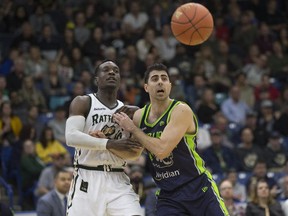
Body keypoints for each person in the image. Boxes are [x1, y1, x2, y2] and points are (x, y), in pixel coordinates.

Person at [114, 63, 229, 215]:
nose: (160, 81)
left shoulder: (181, 110)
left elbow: (162, 150)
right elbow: (134, 154)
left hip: (198, 188)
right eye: (155, 79)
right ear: (146, 87)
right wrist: (108, 143)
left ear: (169, 85)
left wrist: (133, 130)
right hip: (169, 195)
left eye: (164, 78)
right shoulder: (139, 117)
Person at [65, 60, 143, 216]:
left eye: (116, 70)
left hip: (118, 178)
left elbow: (134, 155)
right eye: (106, 70)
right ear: (96, 79)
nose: (112, 72)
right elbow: (71, 137)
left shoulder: (129, 112)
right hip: (87, 178)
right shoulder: (83, 102)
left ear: (120, 79)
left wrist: (115, 146)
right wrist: (109, 143)